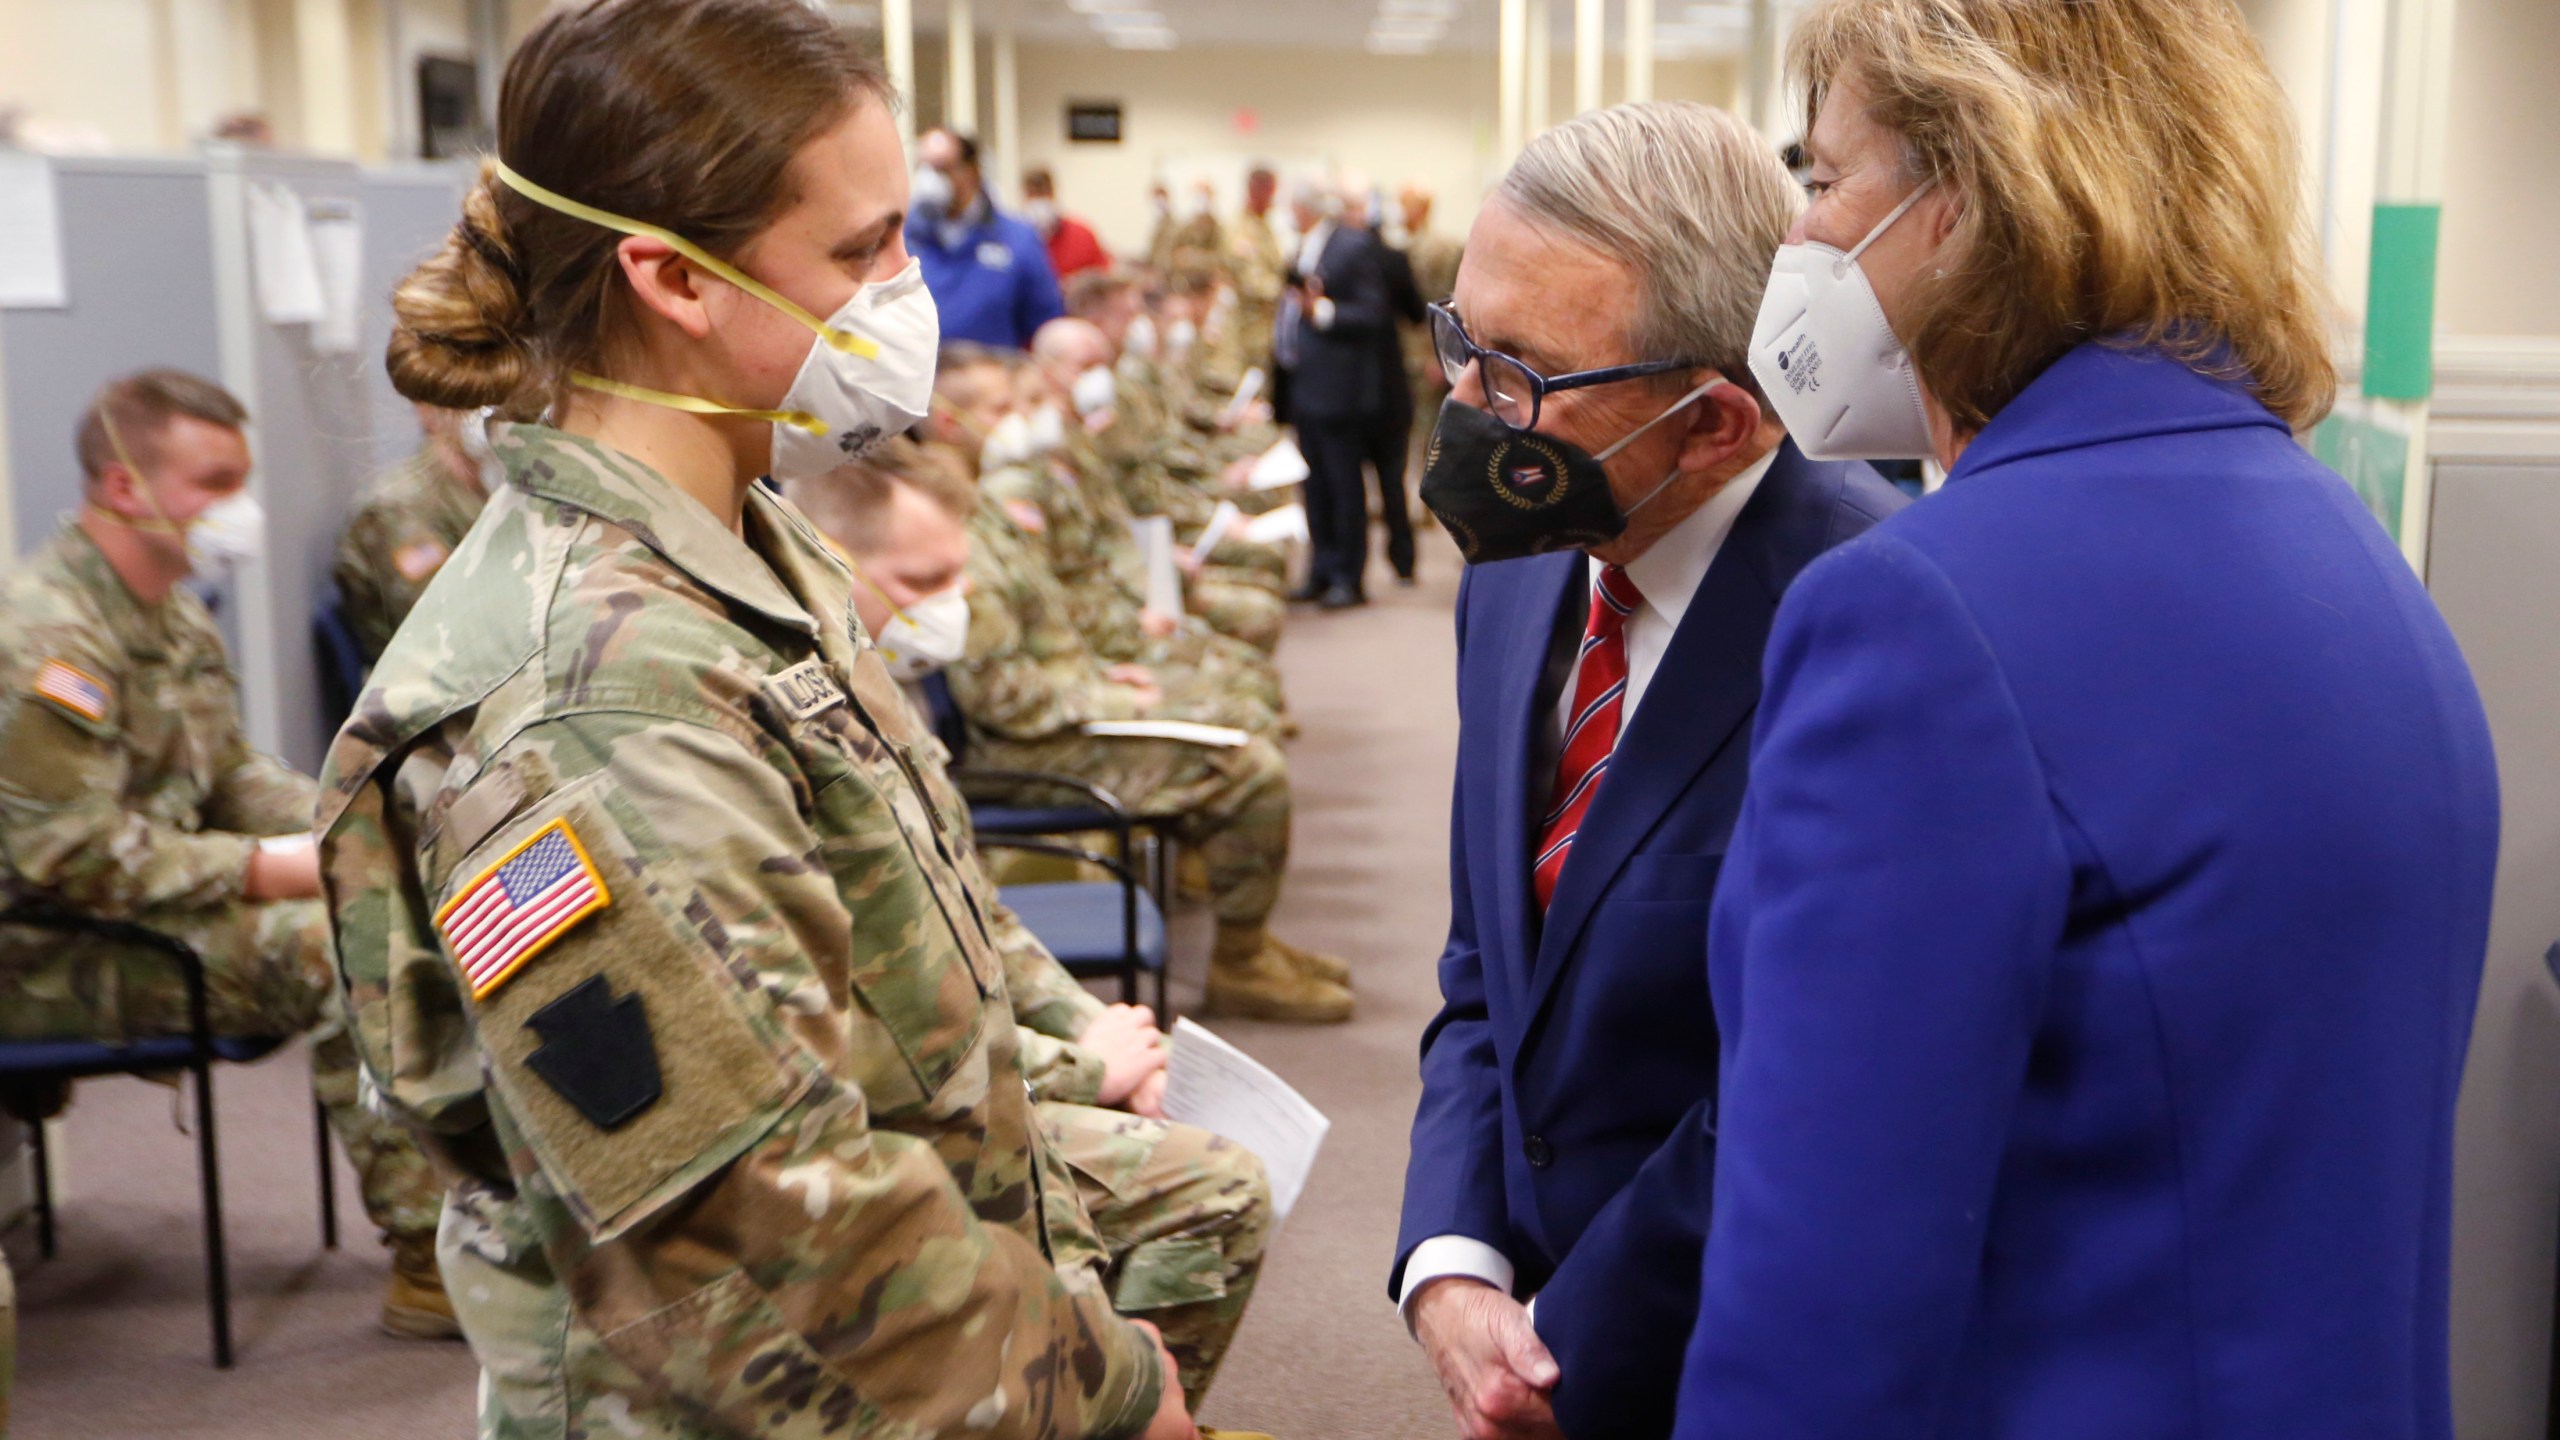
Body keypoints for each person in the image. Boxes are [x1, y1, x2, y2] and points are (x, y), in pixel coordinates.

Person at [320, 3, 1200, 1434]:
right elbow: (754, 1249)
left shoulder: (743, 543)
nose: (907, 288)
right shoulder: (598, 694)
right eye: (860, 251)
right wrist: (1100, 1389)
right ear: (670, 278)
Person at [1670, 2, 2498, 1438]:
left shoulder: (1927, 618)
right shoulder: (2347, 556)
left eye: (1822, 179)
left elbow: (1823, 1304)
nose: (1796, 240)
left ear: (1970, 196)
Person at [1391, 103, 1906, 1439]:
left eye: (1517, 373)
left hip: (1735, 1356)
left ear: (1717, 425)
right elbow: (1486, 976)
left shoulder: (1877, 631)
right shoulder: (1519, 575)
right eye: (1461, 342)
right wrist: (1453, 1259)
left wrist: (1569, 1348)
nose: (1462, 411)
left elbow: (1811, 1092)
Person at [779, 455, 1278, 1408]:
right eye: (924, 583)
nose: (955, 604)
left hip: (965, 1078)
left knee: (1212, 1155)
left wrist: (1105, 1032)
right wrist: (1084, 1072)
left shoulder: (871, 686)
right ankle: (1126, 1410)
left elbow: (980, 912)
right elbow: (857, 1038)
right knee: (1214, 1188)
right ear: (827, 561)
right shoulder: (783, 717)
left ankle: (1118, 1406)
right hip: (877, 1131)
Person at [0, 369, 452, 1339]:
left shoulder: (168, 610)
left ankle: (472, 1214)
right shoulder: (50, 637)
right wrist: (263, 870)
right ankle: (427, 1258)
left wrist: (350, 826)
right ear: (124, 487)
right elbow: (67, 859)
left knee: (398, 899)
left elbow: (233, 776)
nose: (235, 510)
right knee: (335, 944)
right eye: (213, 483)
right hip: (41, 946)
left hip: (139, 911)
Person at [878, 430, 1349, 1025]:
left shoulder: (977, 523)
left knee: (1235, 715)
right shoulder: (954, 542)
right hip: (1022, 751)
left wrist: (1105, 674)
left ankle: (1244, 934)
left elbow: (1057, 632)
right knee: (1249, 770)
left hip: (1057, 718)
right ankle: (1239, 961)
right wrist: (1113, 698)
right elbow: (1006, 700)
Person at [1274, 179, 1398, 609]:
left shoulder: (1351, 245)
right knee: (1315, 485)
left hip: (1339, 389)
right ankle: (1321, 570)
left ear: (1309, 208)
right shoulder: (1304, 245)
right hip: (1305, 386)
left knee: (1344, 485)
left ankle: (1349, 575)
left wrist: (1322, 312)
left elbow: (1374, 312)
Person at [331, 402, 496, 661]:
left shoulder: (481, 491)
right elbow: (442, 624)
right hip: (428, 684)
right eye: (467, 397)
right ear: (426, 410)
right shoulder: (402, 506)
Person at [909, 125, 1064, 348]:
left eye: (941, 169)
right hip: (920, 379)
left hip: (992, 377)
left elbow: (1045, 326)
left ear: (971, 171)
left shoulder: (1018, 239)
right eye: (922, 169)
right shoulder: (902, 240)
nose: (928, 181)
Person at [1396, 183, 1464, 464]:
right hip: (1402, 355)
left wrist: (1441, 356)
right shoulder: (1399, 246)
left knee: (1429, 431)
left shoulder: (1444, 249)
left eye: (1404, 205)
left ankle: (1427, 503)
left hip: (1426, 355)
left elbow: (1449, 307)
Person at [1226, 165, 1288, 372]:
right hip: (1251, 332)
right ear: (1257, 191)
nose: (1274, 200)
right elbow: (1251, 283)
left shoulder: (1265, 226)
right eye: (1271, 193)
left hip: (1271, 329)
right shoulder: (1241, 229)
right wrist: (1288, 293)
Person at [1023, 166, 1111, 282]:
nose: (1039, 200)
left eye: (1044, 193)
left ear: (1053, 194)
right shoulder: (1017, 239)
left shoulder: (1082, 236)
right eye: (1033, 194)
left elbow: (1103, 277)